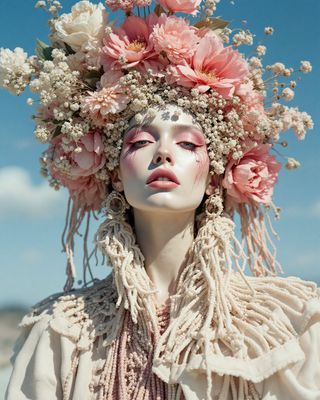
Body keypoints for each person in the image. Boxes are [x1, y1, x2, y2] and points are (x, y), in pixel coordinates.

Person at [2, 1, 319, 399]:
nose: (163, 154)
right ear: (115, 174)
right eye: (141, 142)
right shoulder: (59, 329)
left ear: (215, 176)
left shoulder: (287, 321)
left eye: (187, 143)